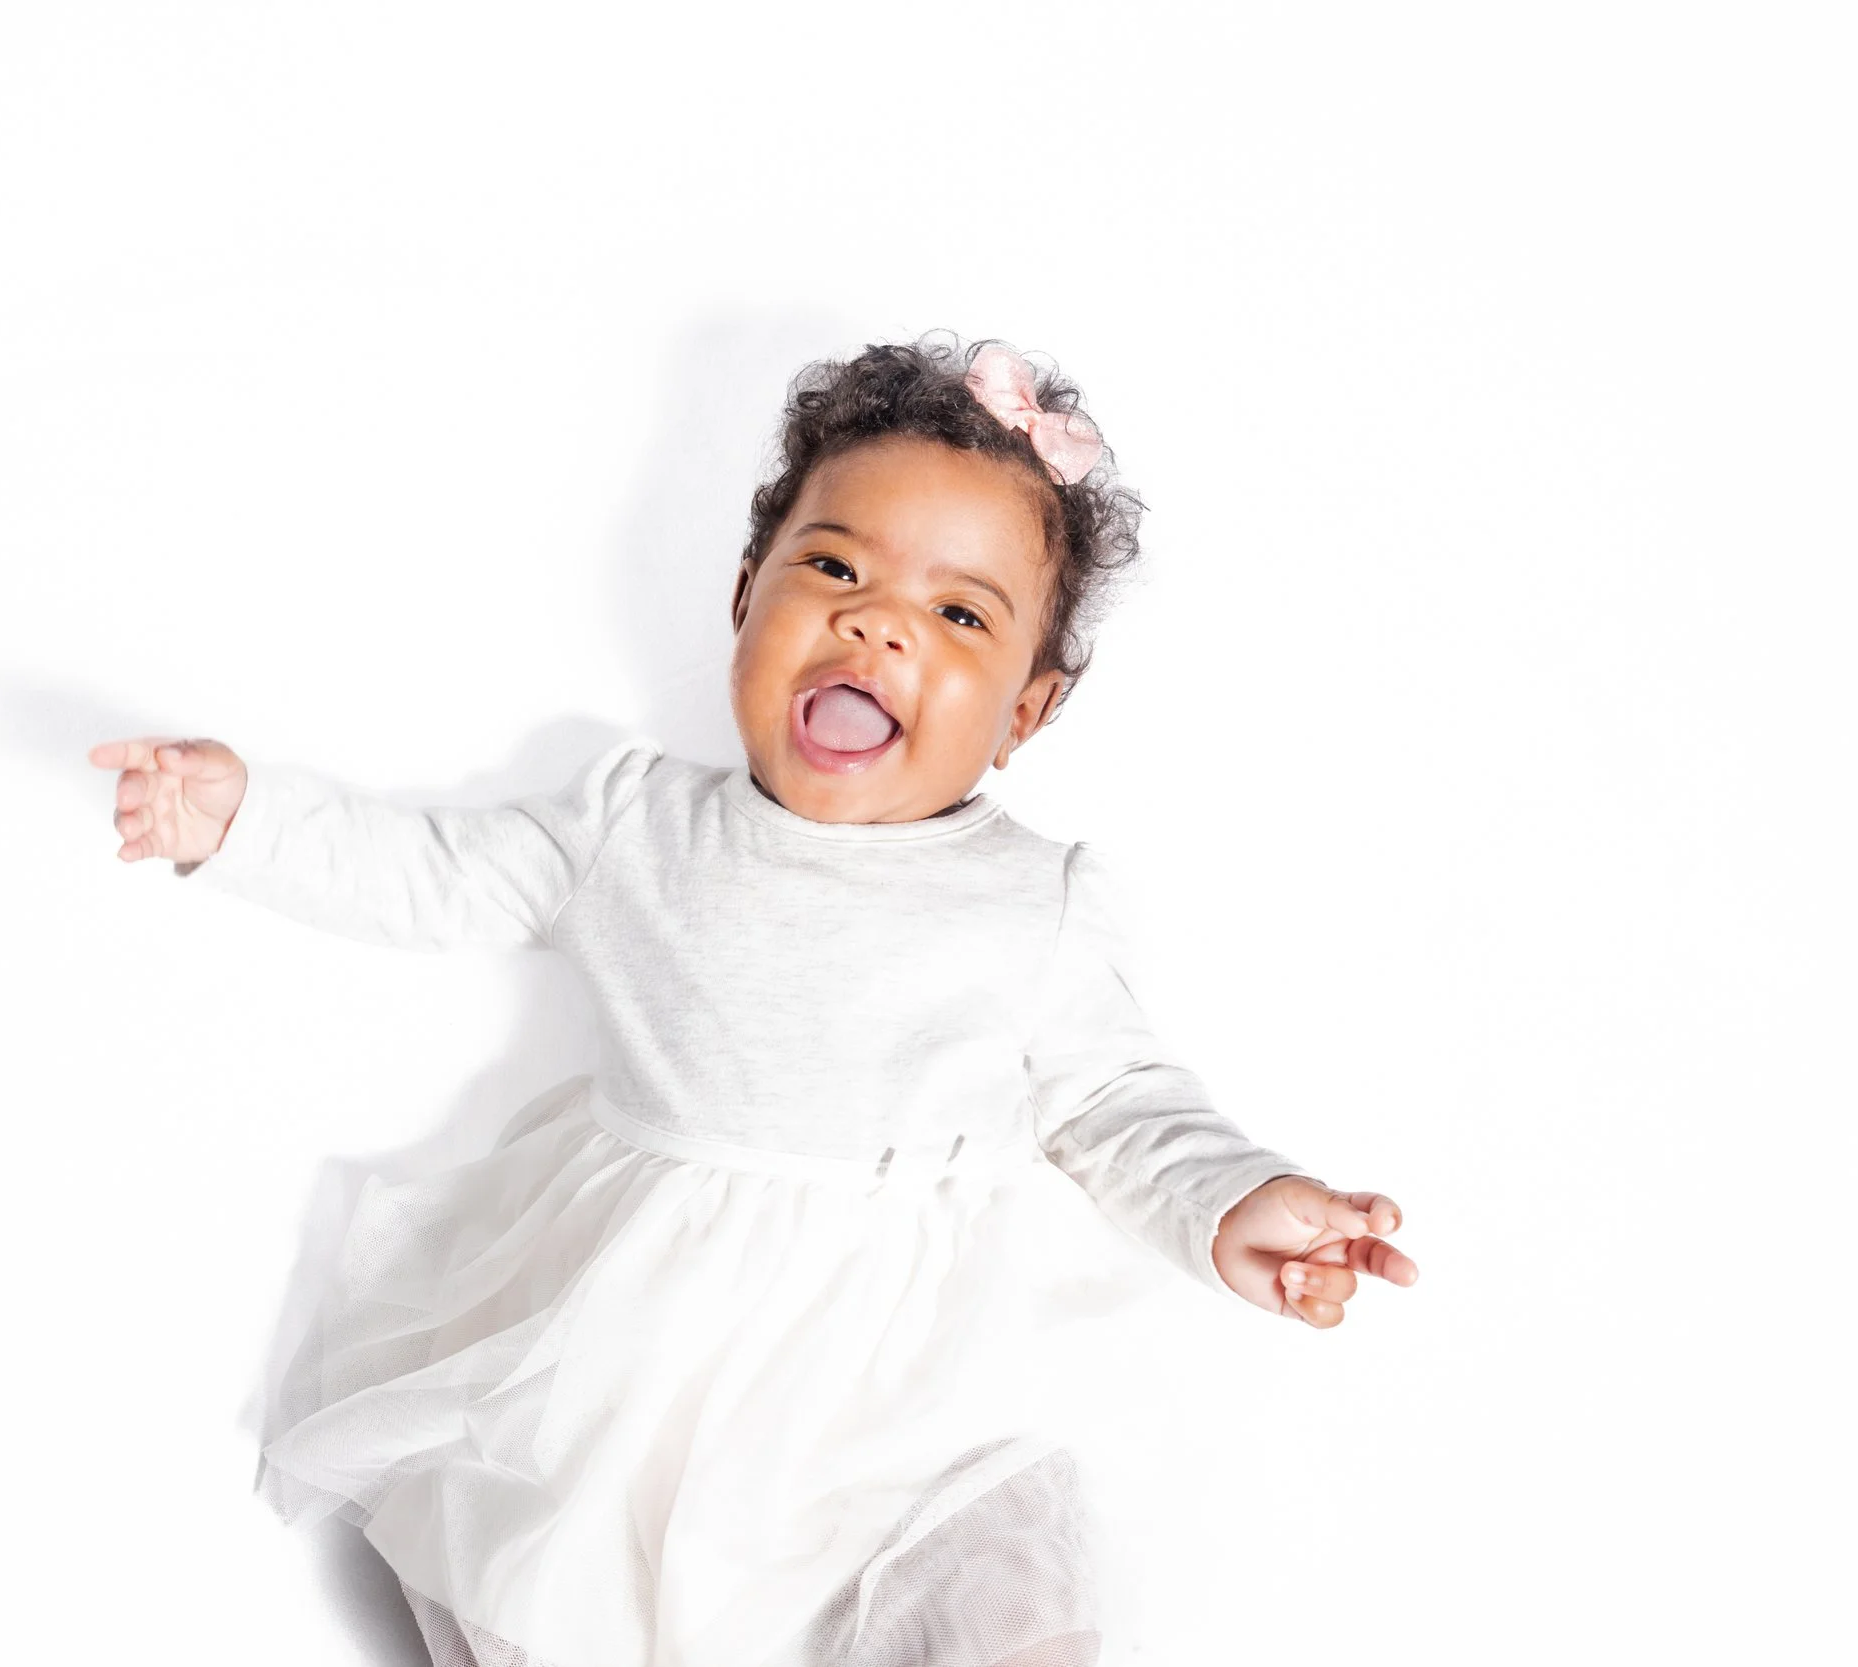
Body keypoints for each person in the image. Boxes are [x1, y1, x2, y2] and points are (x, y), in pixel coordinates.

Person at [87, 331, 1417, 1667]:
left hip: (918, 1400)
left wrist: (1236, 1200)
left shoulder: (1033, 898)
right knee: (568, 1590)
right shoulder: (635, 825)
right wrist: (244, 821)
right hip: (642, 1371)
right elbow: (435, 875)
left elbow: (1117, 1100)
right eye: (834, 568)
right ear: (743, 596)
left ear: (1028, 709)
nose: (878, 623)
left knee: (1003, 1605)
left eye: (960, 615)